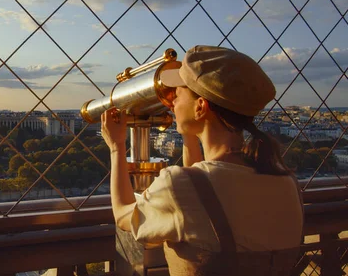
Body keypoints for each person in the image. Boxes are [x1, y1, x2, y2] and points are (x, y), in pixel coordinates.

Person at [101, 45, 303, 275]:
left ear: (200, 107)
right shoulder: (287, 182)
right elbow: (202, 202)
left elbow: (124, 216)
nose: (171, 101)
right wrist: (188, 132)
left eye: (177, 94)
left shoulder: (180, 185)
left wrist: (116, 146)